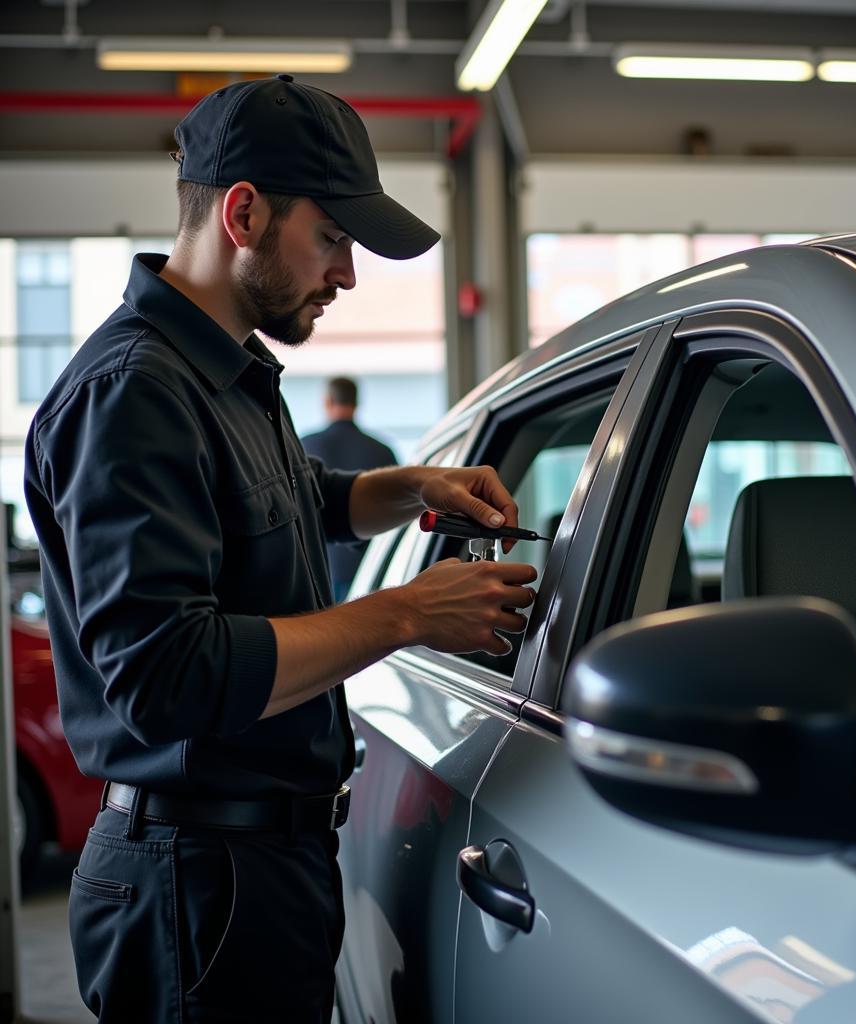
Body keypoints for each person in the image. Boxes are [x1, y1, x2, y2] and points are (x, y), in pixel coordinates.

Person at [23, 74, 536, 1024]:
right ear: (244, 213)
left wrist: (414, 485)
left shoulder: (227, 371)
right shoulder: (135, 394)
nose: (346, 274)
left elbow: (295, 505)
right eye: (334, 238)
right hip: (197, 889)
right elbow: (165, 674)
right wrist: (409, 614)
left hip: (252, 872)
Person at [301, 376, 398, 601]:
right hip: (375, 570)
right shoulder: (382, 451)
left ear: (327, 401)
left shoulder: (303, 446)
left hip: (320, 570)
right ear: (356, 402)